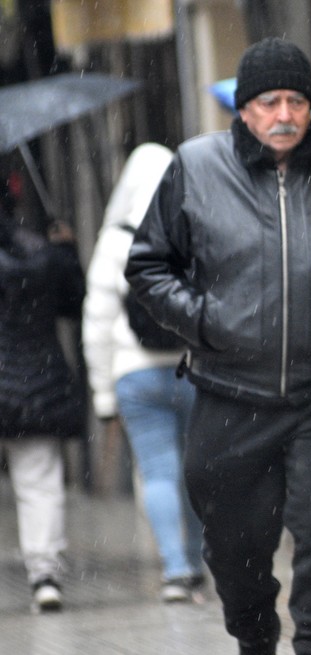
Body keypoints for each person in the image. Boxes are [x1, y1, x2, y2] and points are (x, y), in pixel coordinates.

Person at [126, 38, 311, 655]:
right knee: (234, 547)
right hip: (231, 397)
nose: (284, 114)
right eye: (269, 101)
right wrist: (206, 324)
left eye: (296, 100)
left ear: (310, 106)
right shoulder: (195, 167)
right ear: (245, 109)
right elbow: (149, 267)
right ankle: (255, 638)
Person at [82, 142, 206, 604]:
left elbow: (95, 320)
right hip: (192, 370)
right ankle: (195, 562)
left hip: (133, 375)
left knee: (158, 473)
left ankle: (173, 569)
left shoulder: (115, 241)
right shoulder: (193, 229)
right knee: (196, 471)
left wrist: (101, 395)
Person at [0, 196, 84, 613]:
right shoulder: (40, 251)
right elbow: (74, 302)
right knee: (39, 481)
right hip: (35, 383)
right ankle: (45, 574)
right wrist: (66, 251)